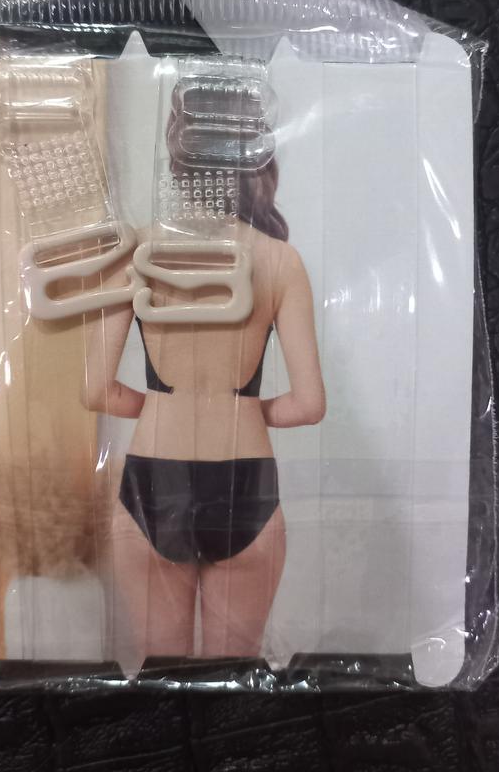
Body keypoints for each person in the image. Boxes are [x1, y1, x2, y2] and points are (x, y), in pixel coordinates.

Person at [81, 147, 325, 666]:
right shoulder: (280, 259)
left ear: (176, 153)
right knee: (233, 680)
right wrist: (240, 410)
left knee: (162, 677)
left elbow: (95, 390)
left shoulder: (134, 252)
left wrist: (163, 406)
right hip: (246, 483)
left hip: (152, 482)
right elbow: (308, 405)